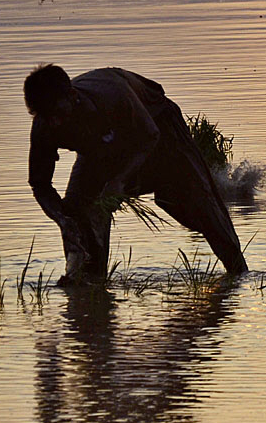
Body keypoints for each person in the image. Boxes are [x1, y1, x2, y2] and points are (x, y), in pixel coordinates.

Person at [25, 64, 247, 283]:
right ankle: (88, 282)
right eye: (46, 116)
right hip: (102, 146)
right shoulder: (45, 125)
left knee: (200, 204)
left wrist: (119, 181)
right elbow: (40, 184)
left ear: (73, 96)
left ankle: (239, 274)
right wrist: (62, 219)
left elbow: (150, 136)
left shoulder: (112, 95)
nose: (54, 122)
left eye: (58, 113)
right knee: (76, 209)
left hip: (160, 128)